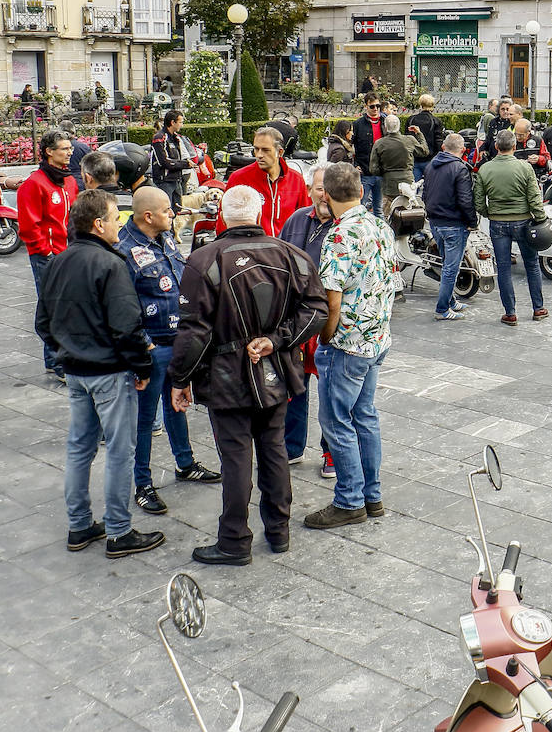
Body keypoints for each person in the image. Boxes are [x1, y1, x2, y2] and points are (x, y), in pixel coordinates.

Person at [169, 185, 327, 565]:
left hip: (227, 377)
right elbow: (317, 310)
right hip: (273, 370)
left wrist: (179, 379)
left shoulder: (204, 259)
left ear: (222, 215)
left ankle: (235, 540)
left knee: (237, 457)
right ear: (257, 215)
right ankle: (278, 531)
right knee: (272, 449)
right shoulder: (290, 254)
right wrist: (277, 341)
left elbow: (194, 330)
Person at [37, 189, 161, 559]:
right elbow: (127, 325)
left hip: (76, 371)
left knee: (79, 448)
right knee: (119, 451)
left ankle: (79, 526)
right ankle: (119, 531)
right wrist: (141, 365)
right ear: (98, 224)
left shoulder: (59, 261)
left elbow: (43, 322)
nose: (118, 224)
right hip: (109, 371)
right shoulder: (110, 264)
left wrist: (67, 350)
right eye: (114, 217)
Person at [117, 187, 221, 516]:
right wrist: (139, 351)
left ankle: (185, 463)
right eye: (166, 210)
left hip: (177, 343)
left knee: (177, 405)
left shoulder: (167, 239)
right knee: (145, 420)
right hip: (150, 347)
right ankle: (143, 483)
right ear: (148, 216)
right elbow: (124, 308)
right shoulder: (125, 251)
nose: (172, 214)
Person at [304, 164, 397, 529]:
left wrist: (325, 337)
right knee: (365, 417)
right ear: (360, 190)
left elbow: (332, 297)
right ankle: (371, 495)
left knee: (336, 421)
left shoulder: (340, 235)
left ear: (326, 194)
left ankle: (350, 500)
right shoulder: (379, 225)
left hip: (348, 343)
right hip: (376, 338)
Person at [277, 168, 335, 477]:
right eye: (317, 189)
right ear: (310, 190)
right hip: (298, 321)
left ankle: (331, 452)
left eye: (328, 189)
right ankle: (292, 447)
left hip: (329, 321)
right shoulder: (297, 220)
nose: (323, 195)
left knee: (330, 393)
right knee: (295, 387)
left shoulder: (345, 226)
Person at [18, 128, 79, 381]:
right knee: (52, 306)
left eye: (70, 148)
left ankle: (52, 358)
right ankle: (57, 361)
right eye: (64, 149)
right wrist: (46, 251)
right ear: (49, 152)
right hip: (46, 256)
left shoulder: (69, 181)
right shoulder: (34, 184)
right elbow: (29, 227)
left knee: (63, 306)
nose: (69, 152)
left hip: (67, 253)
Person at [474, 130, 547, 326]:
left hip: (498, 222)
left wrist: (489, 213)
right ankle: (538, 308)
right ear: (514, 147)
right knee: (532, 264)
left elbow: (478, 201)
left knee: (504, 267)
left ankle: (510, 312)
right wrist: (540, 218)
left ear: (496, 146)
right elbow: (534, 198)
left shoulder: (485, 169)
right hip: (523, 221)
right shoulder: (524, 168)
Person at [423, 132, 480, 320]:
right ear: (463, 150)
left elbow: (426, 194)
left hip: (435, 222)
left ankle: (451, 301)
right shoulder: (460, 168)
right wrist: (472, 222)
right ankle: (442, 309)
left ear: (443, 148)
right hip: (453, 223)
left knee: (447, 264)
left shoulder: (431, 165)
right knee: (451, 268)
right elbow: (465, 199)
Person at [218, 125, 308, 236]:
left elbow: (305, 221)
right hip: (250, 250)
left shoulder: (296, 180)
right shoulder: (239, 178)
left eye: (265, 150)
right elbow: (224, 220)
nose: (259, 155)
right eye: (256, 149)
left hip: (285, 250)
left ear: (280, 152)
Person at [370, 114, 428, 213]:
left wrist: (385, 172)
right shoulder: (409, 140)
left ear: (385, 127)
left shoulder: (379, 143)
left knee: (389, 214)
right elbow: (424, 151)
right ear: (399, 126)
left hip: (389, 184)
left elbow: (373, 169)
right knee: (408, 213)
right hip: (407, 182)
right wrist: (419, 134)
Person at [150, 109, 191, 209]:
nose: (182, 125)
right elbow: (164, 162)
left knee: (177, 210)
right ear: (173, 122)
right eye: (180, 122)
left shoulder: (176, 137)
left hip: (176, 180)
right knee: (165, 209)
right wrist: (185, 164)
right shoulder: (159, 137)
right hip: (164, 181)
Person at [353, 92, 384, 215]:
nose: (375, 109)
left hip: (381, 172)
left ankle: (380, 233)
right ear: (366, 106)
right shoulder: (358, 124)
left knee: (379, 209)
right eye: (372, 106)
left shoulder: (385, 122)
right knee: (360, 207)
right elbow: (352, 146)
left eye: (378, 106)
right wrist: (355, 164)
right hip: (365, 171)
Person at [408, 94, 443, 180]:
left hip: (415, 158)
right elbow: (438, 141)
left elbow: (407, 139)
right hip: (430, 159)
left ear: (421, 104)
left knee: (413, 188)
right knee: (430, 187)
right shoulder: (435, 121)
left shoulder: (411, 119)